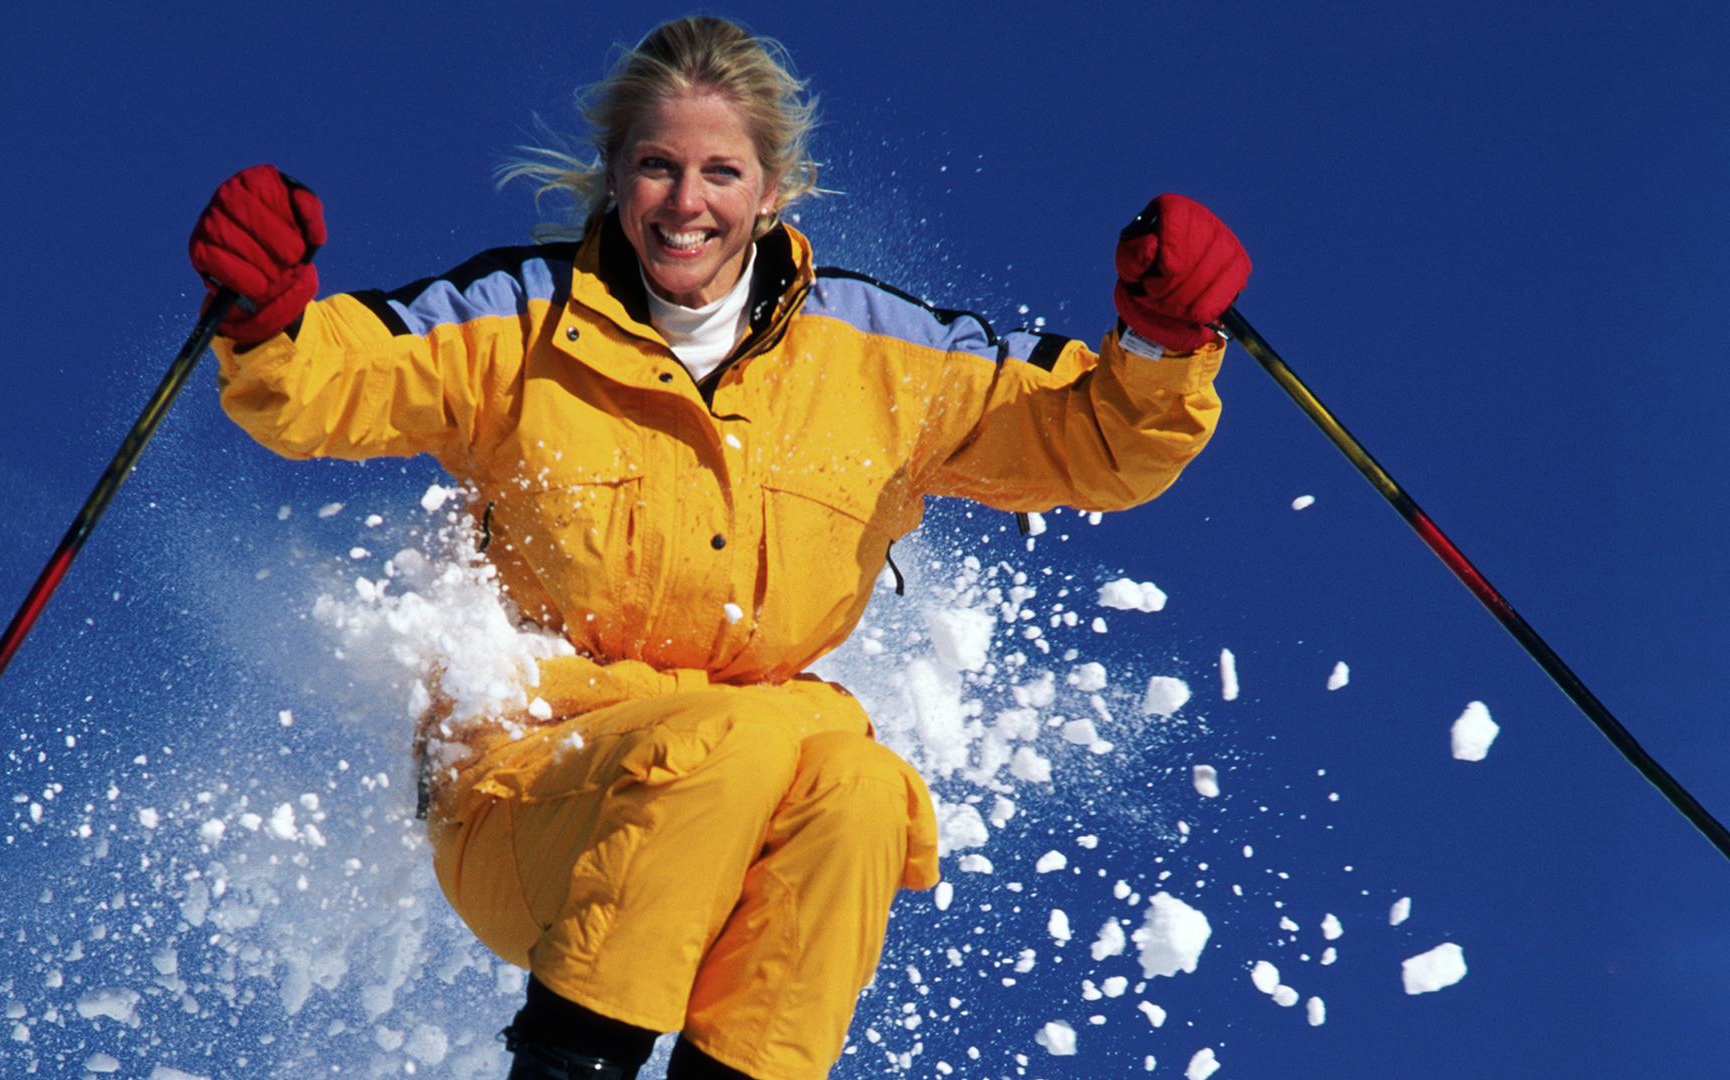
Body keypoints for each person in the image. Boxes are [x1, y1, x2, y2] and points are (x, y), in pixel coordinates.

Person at [189, 16, 1249, 1080]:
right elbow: (325, 382)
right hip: (535, 792)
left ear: (773, 189)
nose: (685, 203)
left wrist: (1162, 343)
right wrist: (267, 317)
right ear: (615, 178)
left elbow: (1095, 437)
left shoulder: (879, 358)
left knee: (862, 792)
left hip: (746, 785)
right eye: (655, 166)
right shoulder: (519, 324)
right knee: (729, 742)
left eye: (720, 172)